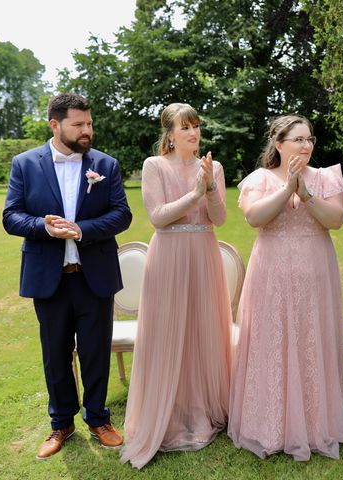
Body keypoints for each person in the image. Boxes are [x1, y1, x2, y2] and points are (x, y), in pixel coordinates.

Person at [2, 93, 132, 460]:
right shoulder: (25, 164)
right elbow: (11, 216)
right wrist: (43, 226)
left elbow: (122, 215)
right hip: (49, 277)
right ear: (55, 124)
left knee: (95, 353)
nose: (87, 130)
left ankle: (98, 419)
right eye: (79, 124)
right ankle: (61, 423)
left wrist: (81, 229)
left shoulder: (106, 164)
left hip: (95, 276)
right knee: (55, 354)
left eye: (89, 123)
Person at [228, 114, 343, 461]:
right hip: (270, 275)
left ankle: (315, 425)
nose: (306, 145)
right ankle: (270, 425)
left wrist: (306, 193)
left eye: (309, 138)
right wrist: (287, 188)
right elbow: (255, 218)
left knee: (311, 340)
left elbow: (336, 220)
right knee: (273, 342)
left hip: (315, 273)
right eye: (298, 139)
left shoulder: (327, 177)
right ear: (278, 144)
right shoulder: (261, 178)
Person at [120, 103, 232, 469]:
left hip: (204, 253)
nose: (193, 133)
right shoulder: (155, 166)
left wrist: (210, 187)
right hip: (168, 256)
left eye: (196, 126)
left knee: (203, 331)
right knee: (169, 333)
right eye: (185, 127)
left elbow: (219, 219)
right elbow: (158, 218)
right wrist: (195, 193)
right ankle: (168, 413)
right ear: (169, 133)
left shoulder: (212, 167)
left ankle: (202, 409)